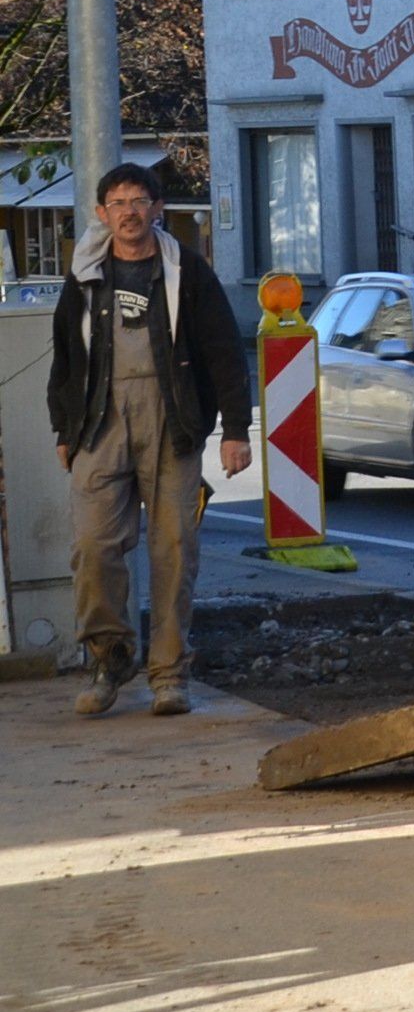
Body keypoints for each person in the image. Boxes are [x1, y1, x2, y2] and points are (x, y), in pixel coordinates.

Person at [48, 164, 252, 717]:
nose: (130, 212)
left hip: (172, 420)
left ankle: (169, 673)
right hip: (99, 419)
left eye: (140, 200)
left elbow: (223, 351)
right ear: (101, 213)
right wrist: (64, 428)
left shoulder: (186, 270)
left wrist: (236, 430)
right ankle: (109, 656)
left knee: (174, 550)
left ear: (158, 208)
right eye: (118, 202)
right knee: (92, 545)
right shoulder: (86, 272)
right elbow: (66, 356)